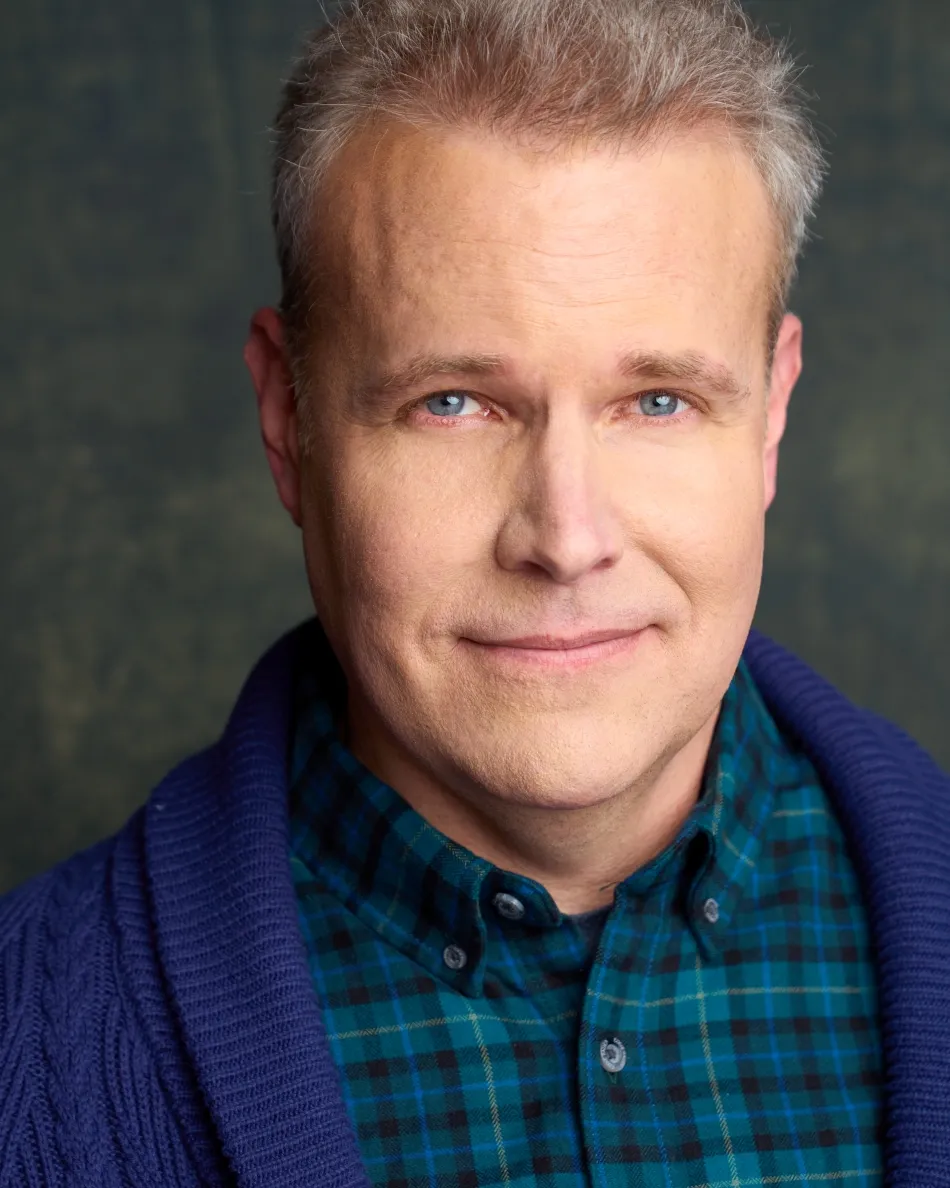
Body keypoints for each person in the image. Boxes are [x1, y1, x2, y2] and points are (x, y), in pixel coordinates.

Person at [1, 0, 948, 1184]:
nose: (565, 537)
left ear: (771, 414)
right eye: (453, 402)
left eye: (656, 401)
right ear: (287, 422)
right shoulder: (27, 1066)